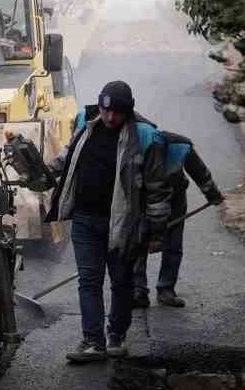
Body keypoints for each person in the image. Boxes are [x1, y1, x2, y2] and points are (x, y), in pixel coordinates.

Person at [44, 80, 173, 363]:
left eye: (116, 112)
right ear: (99, 106)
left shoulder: (146, 136)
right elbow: (66, 159)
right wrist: (41, 173)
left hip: (124, 225)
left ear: (128, 111)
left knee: (121, 281)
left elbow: (157, 189)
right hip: (85, 220)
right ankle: (93, 341)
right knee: (89, 281)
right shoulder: (86, 125)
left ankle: (117, 335)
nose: (110, 117)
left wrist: (156, 231)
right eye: (105, 111)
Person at [129, 121, 225, 308]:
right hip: (143, 200)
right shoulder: (139, 146)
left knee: (172, 244)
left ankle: (166, 289)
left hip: (175, 199)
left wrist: (213, 195)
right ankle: (137, 290)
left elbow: (200, 173)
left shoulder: (180, 147)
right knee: (138, 243)